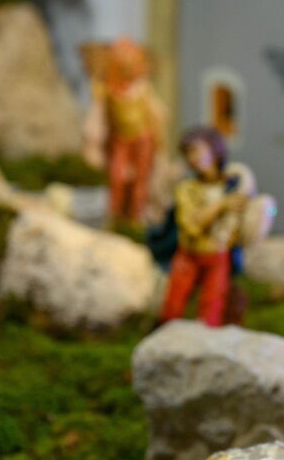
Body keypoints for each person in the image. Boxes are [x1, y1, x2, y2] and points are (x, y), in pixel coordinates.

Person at [159, 127, 247, 327]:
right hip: (189, 253)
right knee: (172, 306)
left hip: (218, 255)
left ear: (214, 149)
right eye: (188, 153)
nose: (193, 158)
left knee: (212, 307)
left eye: (197, 150)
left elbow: (241, 223)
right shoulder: (186, 189)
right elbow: (190, 225)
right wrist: (220, 205)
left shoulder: (231, 186)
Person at [83, 38, 165, 227]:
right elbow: (99, 112)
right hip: (120, 139)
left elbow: (155, 113)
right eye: (122, 61)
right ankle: (115, 215)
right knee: (117, 176)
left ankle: (136, 215)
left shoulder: (142, 88)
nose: (127, 66)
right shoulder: (107, 88)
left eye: (131, 61)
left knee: (141, 178)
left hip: (143, 138)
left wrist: (159, 139)